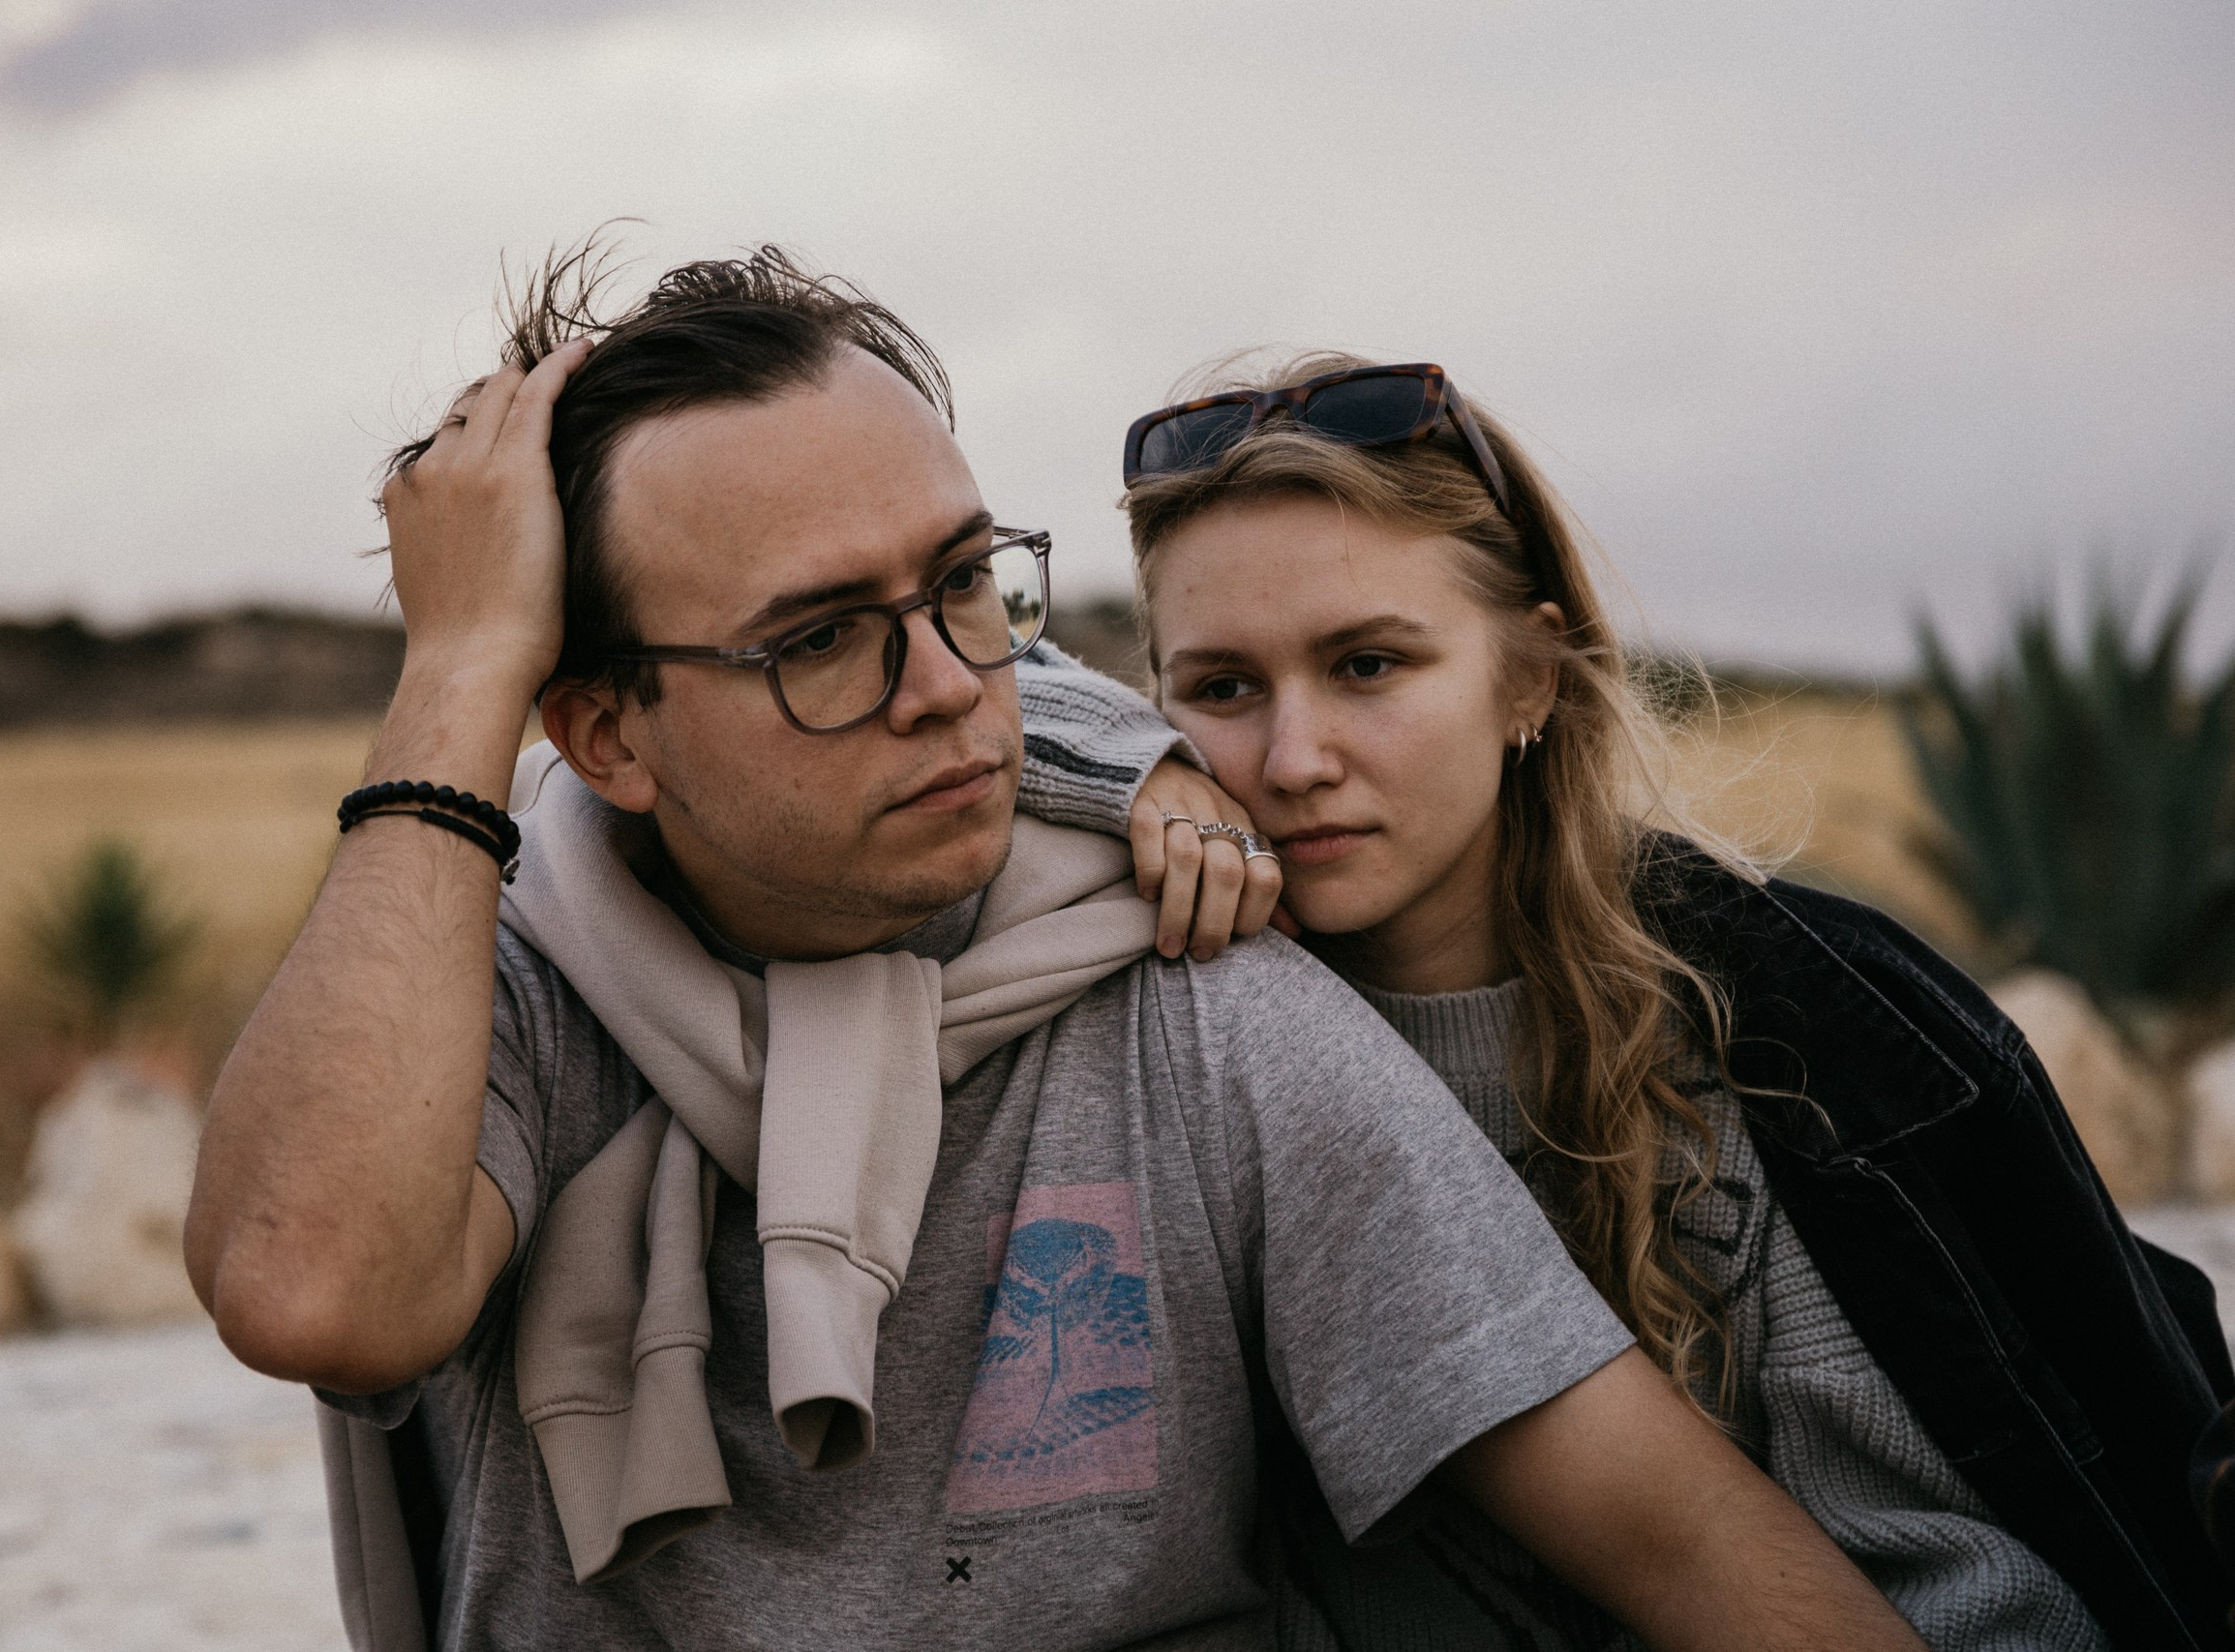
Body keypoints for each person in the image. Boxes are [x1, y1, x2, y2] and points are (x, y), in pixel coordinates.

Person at [183, 249, 1929, 1652]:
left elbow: (1692, 1548)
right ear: (605, 733)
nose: (950, 686)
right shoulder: (506, 998)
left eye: (964, 584)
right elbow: (316, 1291)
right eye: (820, 640)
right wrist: (457, 670)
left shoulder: (1201, 1007)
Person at [1036, 351, 2235, 1650]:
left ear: (1530, 679)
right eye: (1221, 690)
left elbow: (1988, 1585)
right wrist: (1116, 768)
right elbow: (932, 684)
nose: (1293, 758)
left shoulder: (1780, 1031)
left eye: (1369, 665)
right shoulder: (1158, 1017)